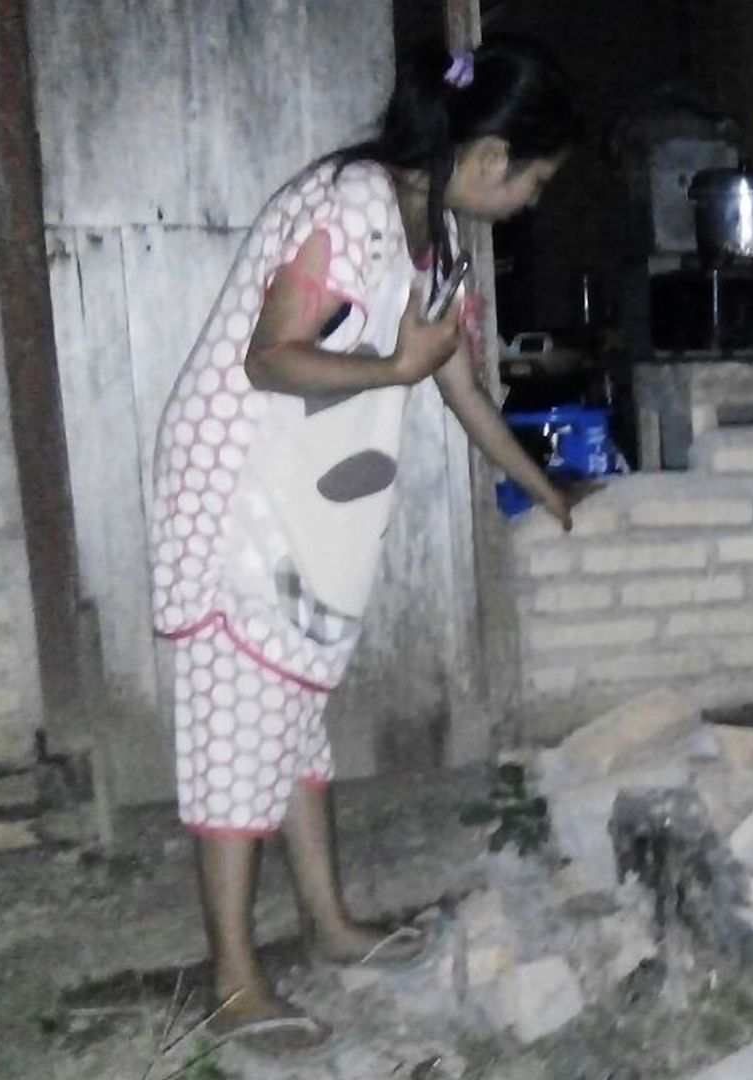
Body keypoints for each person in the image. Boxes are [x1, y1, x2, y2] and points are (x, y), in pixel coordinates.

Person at [145, 34, 579, 1056]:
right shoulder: (348, 208)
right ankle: (233, 982)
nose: (536, 201)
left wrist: (540, 487)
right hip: (241, 492)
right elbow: (272, 358)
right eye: (539, 180)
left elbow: (458, 380)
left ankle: (331, 928)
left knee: (294, 722)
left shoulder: (431, 239)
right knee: (234, 738)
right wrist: (392, 369)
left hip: (306, 506)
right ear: (487, 158)